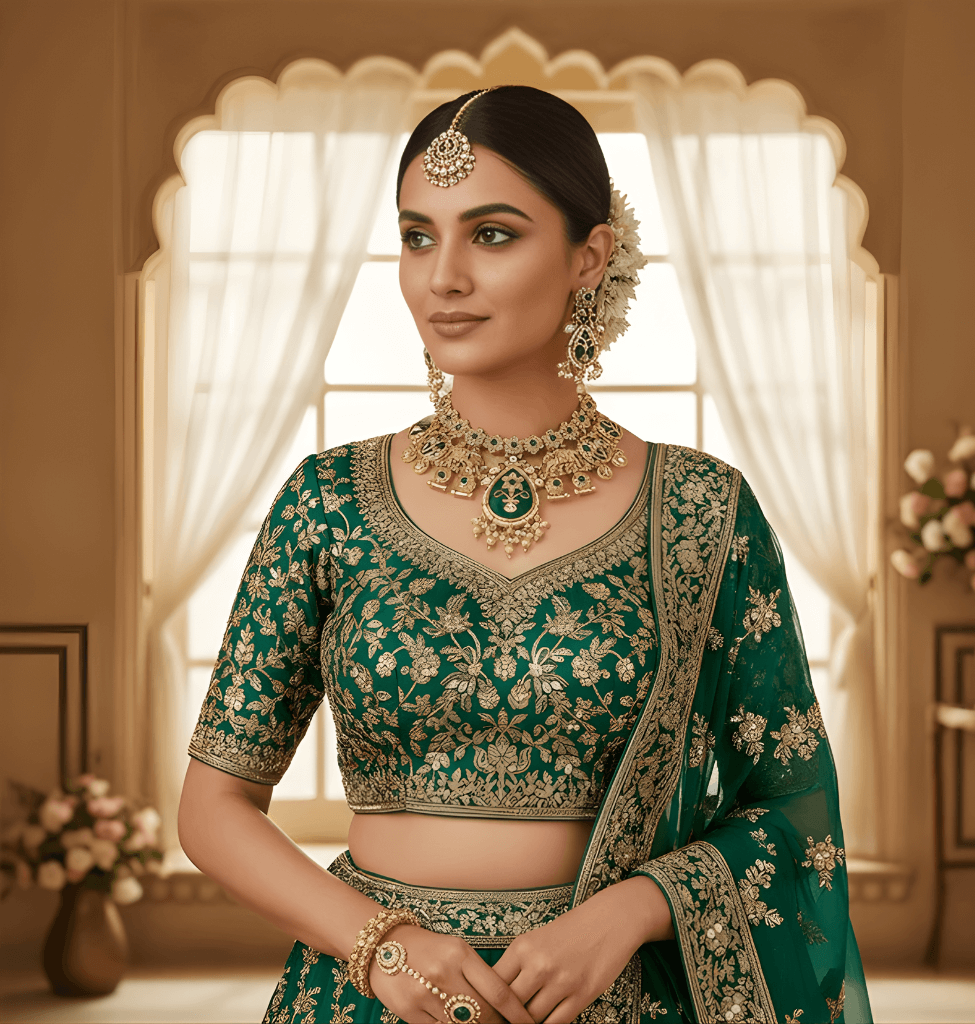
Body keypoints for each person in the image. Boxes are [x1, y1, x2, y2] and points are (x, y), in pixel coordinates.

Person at [178, 85, 872, 1024]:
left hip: (616, 997)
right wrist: (381, 947)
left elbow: (794, 814)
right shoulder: (329, 502)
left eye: (492, 235)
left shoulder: (703, 511)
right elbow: (213, 808)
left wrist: (633, 909)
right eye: (417, 237)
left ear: (590, 255)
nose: (443, 277)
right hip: (374, 997)